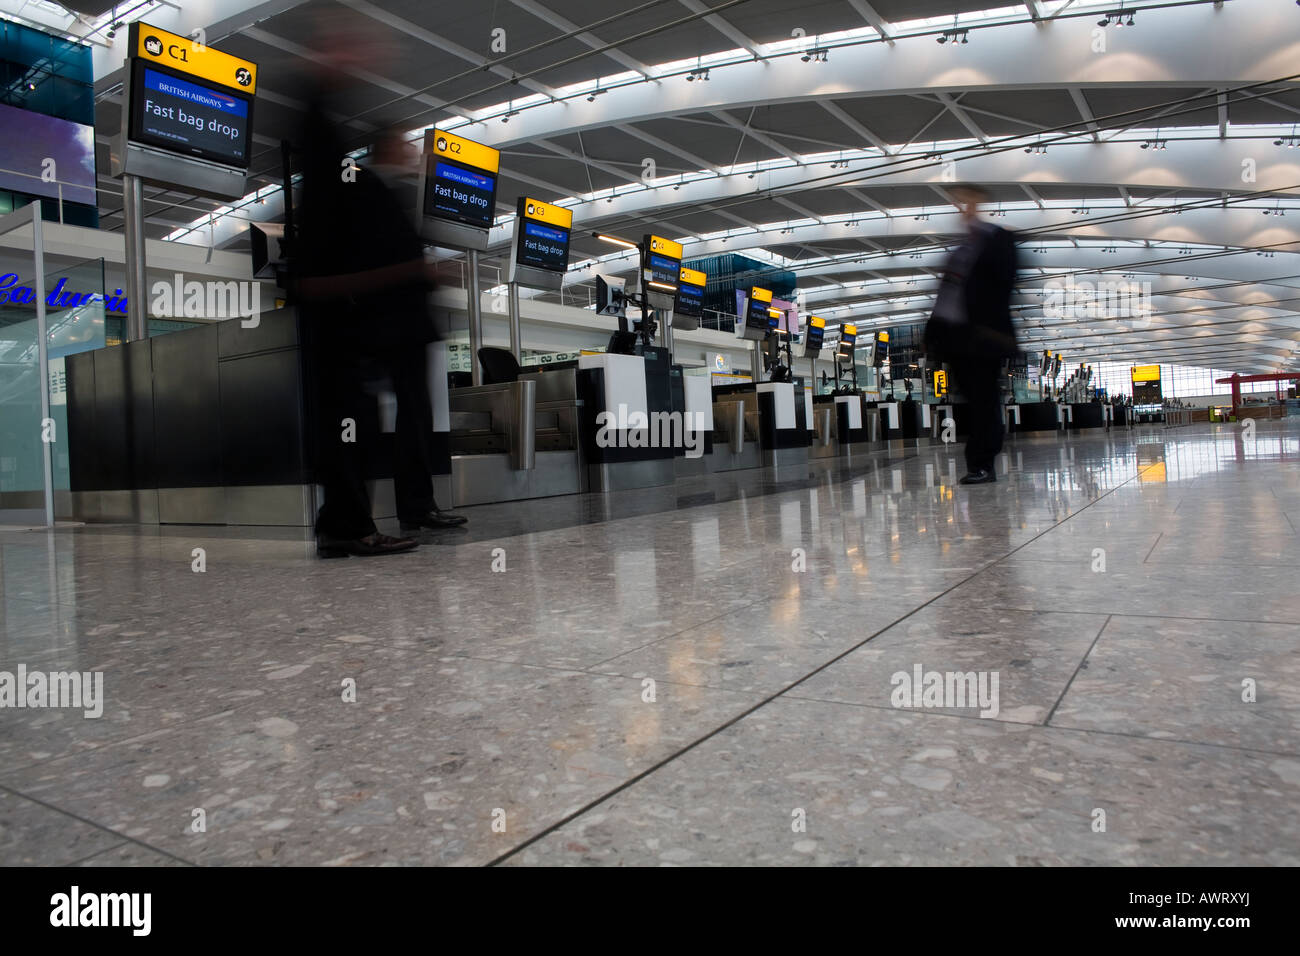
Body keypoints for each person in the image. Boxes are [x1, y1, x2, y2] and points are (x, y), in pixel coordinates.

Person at [292, 24, 466, 558]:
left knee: (358, 422)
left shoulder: (349, 162)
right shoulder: (343, 162)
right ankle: (349, 526)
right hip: (355, 316)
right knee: (351, 422)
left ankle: (348, 524)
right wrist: (415, 274)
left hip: (358, 316)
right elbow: (353, 246)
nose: (413, 152)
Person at [924, 185, 1018, 484]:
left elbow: (1002, 285)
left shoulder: (997, 240)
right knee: (971, 400)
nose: (962, 208)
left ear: (980, 204)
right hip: (957, 339)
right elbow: (945, 297)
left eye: (968, 202)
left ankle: (983, 464)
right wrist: (932, 335)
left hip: (984, 337)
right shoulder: (960, 251)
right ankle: (979, 461)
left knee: (983, 399)